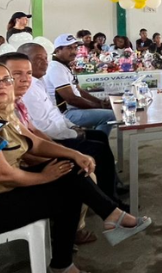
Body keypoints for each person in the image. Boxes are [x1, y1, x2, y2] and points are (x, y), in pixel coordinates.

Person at [0, 62, 149, 273]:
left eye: (6, 80)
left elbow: (35, 143)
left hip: (8, 188)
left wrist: (74, 154)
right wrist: (43, 177)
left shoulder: (2, 113)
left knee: (70, 169)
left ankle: (109, 218)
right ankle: (65, 261)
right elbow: (1, 175)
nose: (2, 85)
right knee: (68, 193)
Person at [6, 45, 122, 204]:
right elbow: (43, 128)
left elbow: (54, 112)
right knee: (98, 148)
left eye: (45, 58)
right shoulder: (27, 90)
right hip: (51, 139)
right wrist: (73, 134)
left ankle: (110, 186)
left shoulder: (38, 82)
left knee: (99, 136)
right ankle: (109, 197)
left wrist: (72, 127)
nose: (45, 62)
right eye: (38, 59)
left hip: (58, 131)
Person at [46, 34, 115, 135]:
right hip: (65, 114)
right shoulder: (55, 68)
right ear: (57, 50)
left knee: (104, 113)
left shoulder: (64, 66)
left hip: (73, 109)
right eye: (69, 48)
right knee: (110, 116)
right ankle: (97, 142)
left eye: (75, 48)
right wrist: (99, 106)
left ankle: (94, 140)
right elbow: (72, 99)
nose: (74, 52)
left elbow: (79, 91)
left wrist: (99, 103)